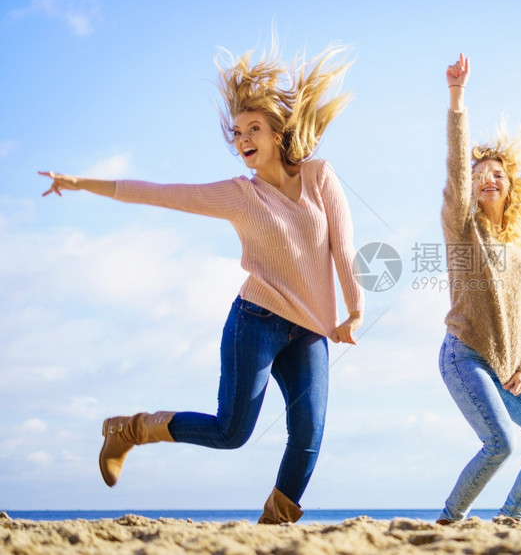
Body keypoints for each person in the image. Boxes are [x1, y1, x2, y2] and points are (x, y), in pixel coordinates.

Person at [39, 42, 364, 525]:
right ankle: (130, 430)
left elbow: (344, 247)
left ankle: (273, 527)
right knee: (233, 432)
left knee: (309, 431)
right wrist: (82, 182)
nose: (244, 139)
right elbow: (158, 194)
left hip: (310, 330)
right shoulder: (238, 195)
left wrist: (354, 310)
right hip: (255, 321)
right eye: (237, 133)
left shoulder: (320, 177)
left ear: (278, 132)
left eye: (254, 129)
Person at [435, 53, 521, 525]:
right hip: (464, 354)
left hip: (511, 366)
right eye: (480, 174)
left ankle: (510, 519)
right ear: (470, 189)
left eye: (497, 172)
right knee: (501, 443)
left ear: (511, 187)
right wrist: (457, 99)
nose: (487, 177)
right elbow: (455, 168)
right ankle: (450, 520)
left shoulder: (520, 246)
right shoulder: (461, 228)